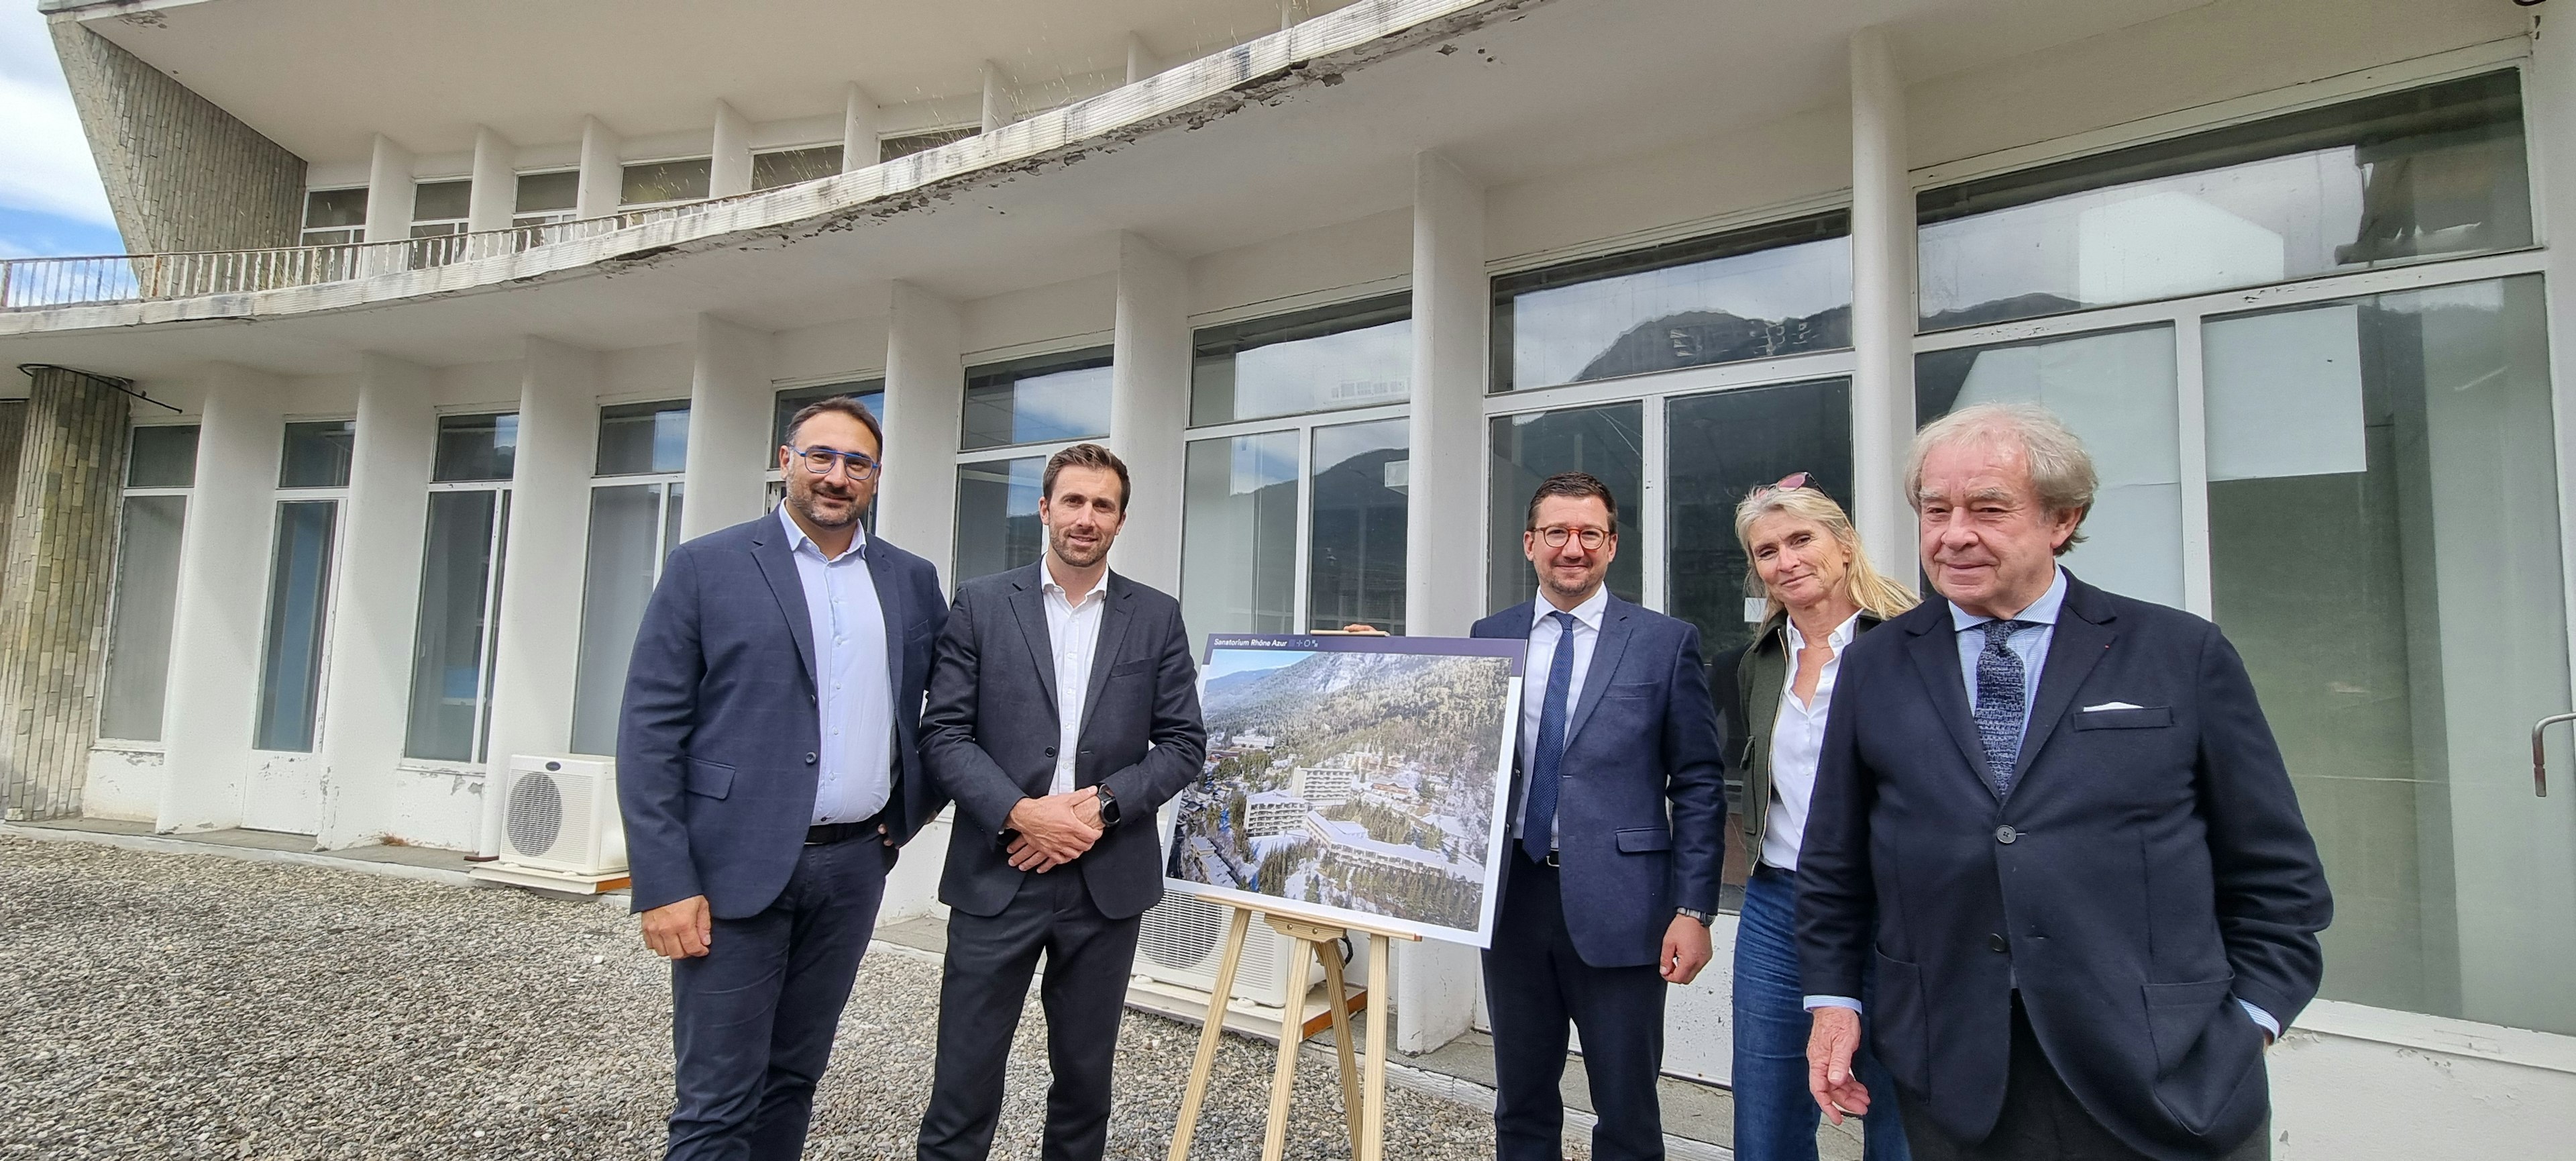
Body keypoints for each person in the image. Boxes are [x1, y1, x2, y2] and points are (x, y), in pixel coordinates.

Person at [1799, 403, 2332, 1161]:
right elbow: (1833, 862)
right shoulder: (1876, 665)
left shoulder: (2181, 653)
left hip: (2171, 1080)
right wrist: (1834, 1000)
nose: (1954, 534)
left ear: (2062, 518)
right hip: (1957, 1079)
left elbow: (2279, 879)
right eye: (1936, 509)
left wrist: (2250, 1020)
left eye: (1988, 508)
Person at [616, 396, 950, 1160]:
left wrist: (899, 821)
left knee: (793, 1078)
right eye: (821, 456)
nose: (837, 475)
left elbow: (944, 714)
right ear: (786, 459)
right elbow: (649, 729)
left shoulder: (908, 580)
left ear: (875, 474)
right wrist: (664, 879)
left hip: (851, 868)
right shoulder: (707, 565)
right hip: (731, 872)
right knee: (716, 1101)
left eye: (856, 462)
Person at [914, 442, 1206, 1161]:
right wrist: (1023, 812)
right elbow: (943, 733)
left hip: (1104, 885)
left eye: (1102, 505)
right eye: (1072, 501)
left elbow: (1182, 742)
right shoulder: (982, 603)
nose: (1086, 517)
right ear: (1045, 508)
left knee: (1083, 1088)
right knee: (963, 1084)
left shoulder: (1156, 615)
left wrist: (1099, 807)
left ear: (1121, 519)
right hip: (998, 873)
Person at [1468, 471, 1727, 1161]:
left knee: (1627, 1108)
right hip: (1514, 900)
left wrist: (1694, 909)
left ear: (1612, 545)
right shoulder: (1489, 637)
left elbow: (1699, 781)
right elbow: (1460, 750)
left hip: (1626, 907)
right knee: (1520, 1100)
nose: (1572, 547)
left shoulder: (1664, 642)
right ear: (1530, 543)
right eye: (1556, 531)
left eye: (1589, 533)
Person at [1714, 476, 1917, 1161]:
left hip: (1896, 902)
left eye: (1801, 538)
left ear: (1845, 544)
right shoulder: (1760, 660)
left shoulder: (1911, 644)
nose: (1786, 559)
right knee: (1767, 1099)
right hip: (1780, 903)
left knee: (1902, 1101)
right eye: (1767, 550)